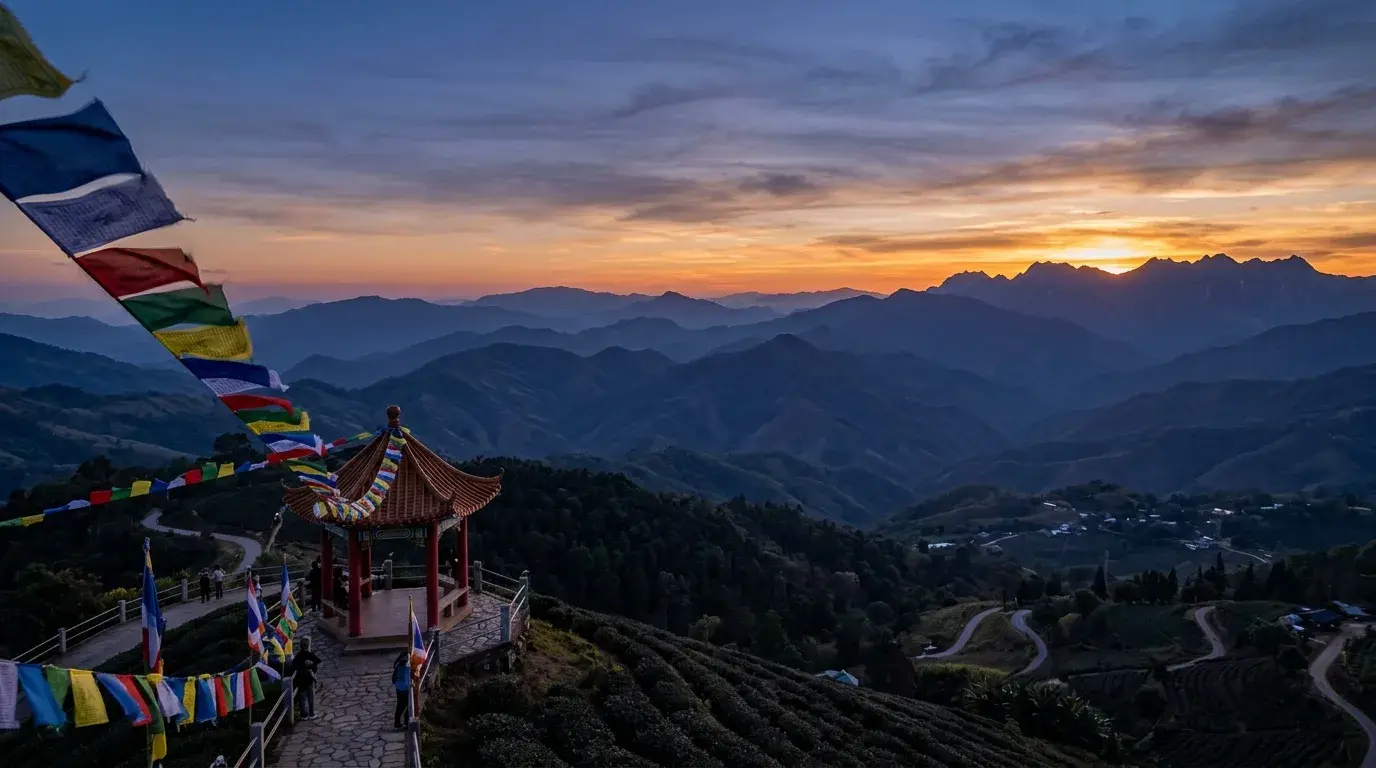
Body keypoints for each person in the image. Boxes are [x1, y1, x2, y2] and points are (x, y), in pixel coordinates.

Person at [291, 636, 321, 720]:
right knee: (311, 697)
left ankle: (303, 715)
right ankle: (311, 713)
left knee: (302, 697)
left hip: (301, 678)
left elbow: (294, 664)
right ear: (309, 645)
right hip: (309, 678)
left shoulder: (299, 655)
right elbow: (316, 664)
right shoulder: (310, 655)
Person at [392, 651, 412, 730]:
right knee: (407, 706)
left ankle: (398, 723)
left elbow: (393, 679)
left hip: (399, 689)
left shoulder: (398, 666)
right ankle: (406, 723)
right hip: (405, 689)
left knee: (400, 706)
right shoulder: (406, 667)